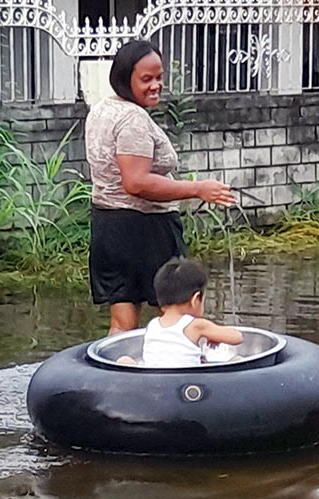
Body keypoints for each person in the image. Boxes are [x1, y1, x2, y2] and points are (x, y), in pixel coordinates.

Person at [85, 39, 236, 335]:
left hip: (108, 227)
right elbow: (136, 182)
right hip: (147, 230)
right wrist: (197, 189)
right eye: (146, 79)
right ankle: (179, 375)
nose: (156, 85)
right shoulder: (133, 119)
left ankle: (118, 375)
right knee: (177, 317)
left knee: (122, 323)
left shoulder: (103, 109)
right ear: (124, 78)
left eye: (159, 77)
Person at [141, 258, 243, 368]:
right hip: (187, 382)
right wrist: (215, 336)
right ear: (195, 299)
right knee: (238, 359)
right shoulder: (196, 325)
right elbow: (237, 337)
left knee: (125, 360)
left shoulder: (152, 325)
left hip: (152, 380)